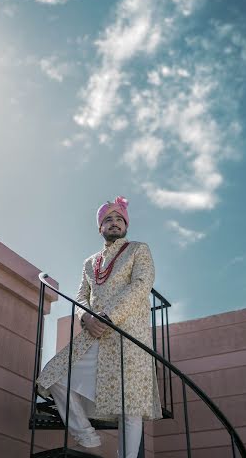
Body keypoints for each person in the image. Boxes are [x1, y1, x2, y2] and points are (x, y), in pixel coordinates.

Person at [37, 196, 163, 457]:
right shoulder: (89, 262)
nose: (114, 223)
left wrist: (107, 317)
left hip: (129, 334)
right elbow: (81, 296)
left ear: (126, 224)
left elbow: (141, 285)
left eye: (119, 219)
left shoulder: (139, 250)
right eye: (108, 219)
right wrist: (85, 317)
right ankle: (87, 436)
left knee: (130, 405)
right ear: (100, 227)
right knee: (54, 375)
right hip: (94, 333)